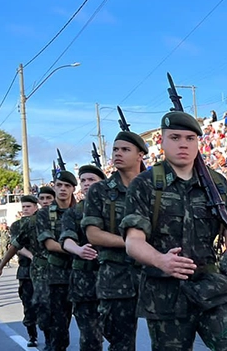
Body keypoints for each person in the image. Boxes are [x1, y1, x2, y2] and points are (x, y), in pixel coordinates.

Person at [121, 109, 227, 351]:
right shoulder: (144, 184)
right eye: (175, 138)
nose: (183, 144)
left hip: (212, 287)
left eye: (190, 138)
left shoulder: (216, 183)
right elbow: (133, 241)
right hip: (165, 293)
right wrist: (160, 260)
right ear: (162, 141)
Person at [83, 131, 148, 351]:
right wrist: (133, 243)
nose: (118, 154)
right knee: (121, 343)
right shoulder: (100, 191)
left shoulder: (154, 188)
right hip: (116, 275)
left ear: (140, 155)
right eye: (115, 149)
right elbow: (93, 234)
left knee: (169, 340)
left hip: (155, 272)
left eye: (125, 150)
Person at [61, 164, 106, 351]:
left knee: (122, 338)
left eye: (92, 180)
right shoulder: (74, 212)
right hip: (84, 282)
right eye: (84, 180)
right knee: (90, 337)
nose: (87, 184)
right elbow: (66, 239)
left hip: (115, 281)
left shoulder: (115, 208)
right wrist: (78, 250)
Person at [37, 173, 76, 351]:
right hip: (57, 276)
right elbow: (50, 244)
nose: (62, 189)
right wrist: (77, 250)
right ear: (54, 187)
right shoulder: (45, 214)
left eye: (67, 186)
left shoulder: (80, 211)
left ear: (73, 189)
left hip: (83, 275)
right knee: (59, 325)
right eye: (59, 185)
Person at [0, 195, 40, 347]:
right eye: (24, 207)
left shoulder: (43, 222)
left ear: (36, 207)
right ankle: (32, 335)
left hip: (44, 269)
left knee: (47, 304)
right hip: (26, 270)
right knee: (28, 304)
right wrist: (32, 256)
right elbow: (17, 246)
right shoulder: (16, 225)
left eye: (29, 206)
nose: (26, 209)